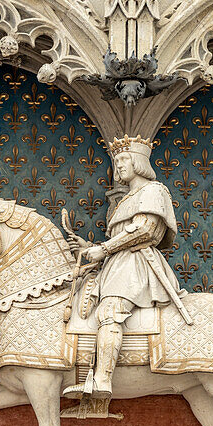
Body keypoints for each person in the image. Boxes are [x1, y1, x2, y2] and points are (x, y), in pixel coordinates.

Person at [65, 135, 189, 400]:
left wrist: (105, 249)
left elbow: (145, 229)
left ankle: (102, 380)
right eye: (116, 161)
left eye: (123, 160)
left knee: (110, 311)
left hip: (137, 264)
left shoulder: (154, 191)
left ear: (138, 162)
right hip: (117, 263)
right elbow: (119, 236)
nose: (119, 165)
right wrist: (89, 246)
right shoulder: (126, 198)